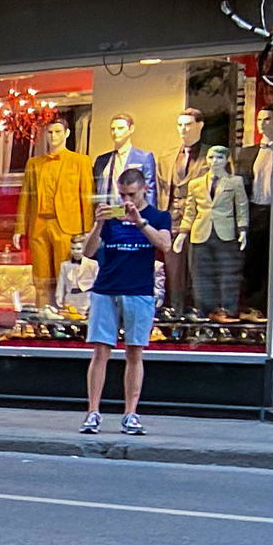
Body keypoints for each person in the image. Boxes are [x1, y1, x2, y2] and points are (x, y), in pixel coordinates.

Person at [75, 165, 171, 435]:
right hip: (106, 288)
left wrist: (140, 221)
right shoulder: (113, 217)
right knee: (101, 351)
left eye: (131, 194)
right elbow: (89, 251)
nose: (126, 201)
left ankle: (131, 413)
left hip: (139, 290)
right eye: (122, 195)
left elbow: (164, 244)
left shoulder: (158, 216)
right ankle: (93, 412)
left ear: (145, 189)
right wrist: (99, 223)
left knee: (134, 351)